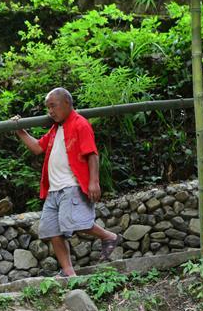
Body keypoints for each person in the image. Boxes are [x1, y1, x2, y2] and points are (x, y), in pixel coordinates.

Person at [11, 88, 121, 277]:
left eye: (53, 106)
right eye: (48, 108)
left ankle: (109, 236)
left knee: (77, 222)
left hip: (71, 184)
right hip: (53, 189)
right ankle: (69, 273)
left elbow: (92, 154)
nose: (50, 111)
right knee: (53, 230)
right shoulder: (56, 128)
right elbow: (38, 148)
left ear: (67, 104)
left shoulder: (80, 124)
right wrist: (20, 131)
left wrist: (94, 181)